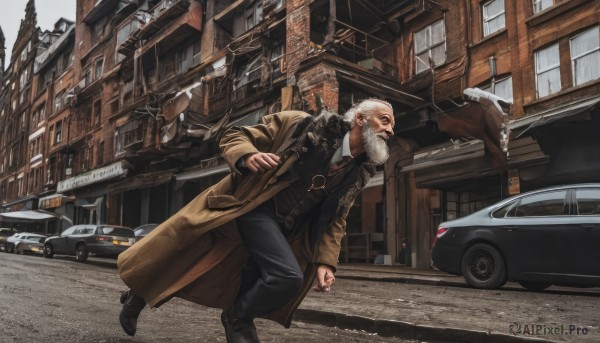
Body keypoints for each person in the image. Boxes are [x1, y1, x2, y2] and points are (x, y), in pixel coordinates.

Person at [117, 99, 395, 342]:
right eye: (384, 121)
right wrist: (247, 155)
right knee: (283, 275)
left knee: (217, 272)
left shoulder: (358, 171)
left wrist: (326, 261)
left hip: (287, 230)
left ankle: (148, 297)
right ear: (360, 119)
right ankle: (236, 318)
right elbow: (234, 134)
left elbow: (337, 218)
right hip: (251, 207)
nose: (390, 130)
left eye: (391, 126)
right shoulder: (302, 125)